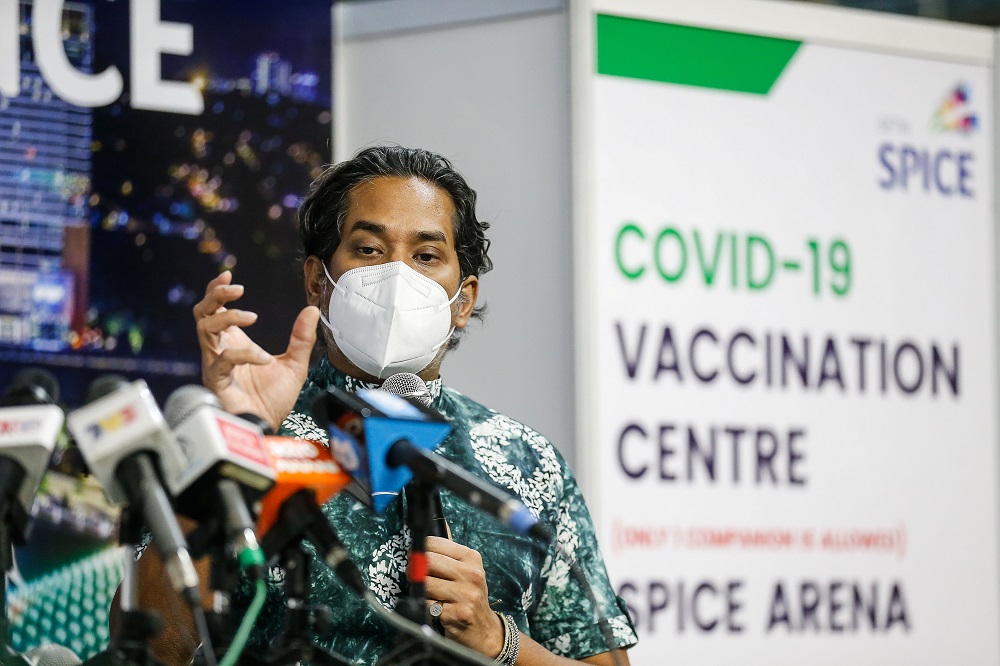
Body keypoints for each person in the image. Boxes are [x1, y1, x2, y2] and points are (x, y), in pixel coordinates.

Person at [137, 146, 637, 664]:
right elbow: (154, 647)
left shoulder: (526, 461)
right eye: (370, 250)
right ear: (318, 282)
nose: (398, 278)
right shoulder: (244, 435)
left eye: (425, 256)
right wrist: (239, 438)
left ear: (462, 301)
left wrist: (498, 640)